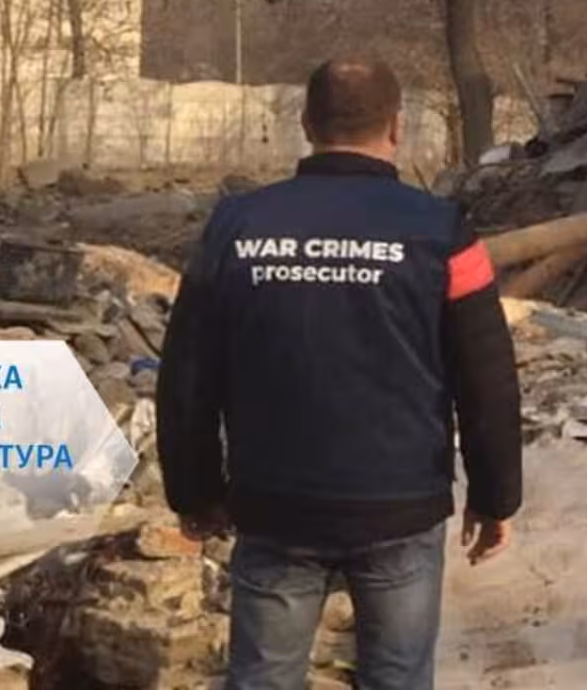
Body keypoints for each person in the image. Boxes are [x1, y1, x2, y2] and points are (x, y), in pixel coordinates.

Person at [158, 57, 523, 690]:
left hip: (274, 504)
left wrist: (194, 491)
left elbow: (188, 373)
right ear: (397, 127)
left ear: (306, 124)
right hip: (400, 507)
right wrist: (495, 497)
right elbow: (487, 378)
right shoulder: (442, 233)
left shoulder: (234, 229)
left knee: (262, 681)